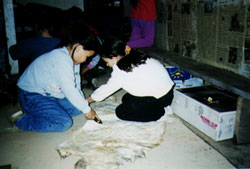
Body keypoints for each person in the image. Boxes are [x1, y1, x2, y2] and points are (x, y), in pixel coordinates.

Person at [9, 21, 102, 132]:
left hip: (50, 94)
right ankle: (21, 120)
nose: (86, 60)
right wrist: (87, 110)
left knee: (79, 107)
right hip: (31, 94)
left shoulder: (73, 59)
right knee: (63, 123)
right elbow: (69, 89)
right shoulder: (60, 59)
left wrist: (84, 106)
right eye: (87, 56)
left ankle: (43, 110)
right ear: (78, 48)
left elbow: (76, 84)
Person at [87, 39, 175, 122]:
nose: (107, 64)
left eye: (107, 61)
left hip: (161, 98)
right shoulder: (134, 56)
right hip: (167, 93)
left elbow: (107, 89)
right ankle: (156, 106)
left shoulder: (121, 70)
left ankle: (160, 112)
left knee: (121, 112)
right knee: (126, 98)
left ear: (114, 57)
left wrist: (87, 100)